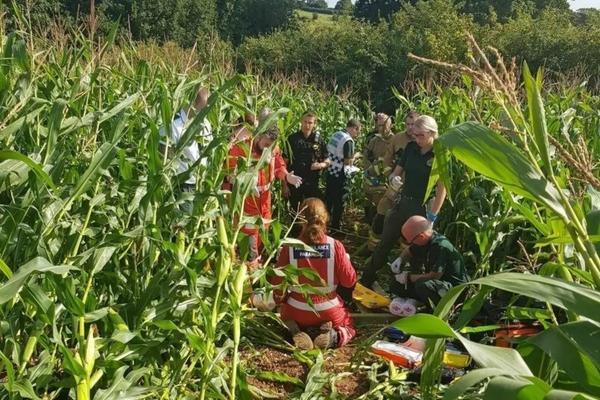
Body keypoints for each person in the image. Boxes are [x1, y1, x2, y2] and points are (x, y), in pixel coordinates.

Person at [360, 115, 447, 289]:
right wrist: (394, 179)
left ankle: (409, 289)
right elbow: (398, 171)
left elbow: (441, 189)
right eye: (414, 134)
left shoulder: (440, 154)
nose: (416, 138)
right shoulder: (411, 148)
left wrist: (432, 218)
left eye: (420, 135)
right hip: (403, 202)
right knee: (385, 241)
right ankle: (367, 278)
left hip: (422, 208)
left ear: (432, 134)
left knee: (416, 251)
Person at [271, 198, 357, 350]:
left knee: (287, 317)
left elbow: (277, 285)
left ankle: (295, 331)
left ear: (301, 220)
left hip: (296, 310)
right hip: (328, 309)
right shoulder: (335, 246)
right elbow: (349, 281)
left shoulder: (289, 247)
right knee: (349, 325)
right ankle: (333, 337)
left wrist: (280, 300)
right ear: (325, 218)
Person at [226, 126, 303, 266]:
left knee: (263, 235)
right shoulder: (242, 147)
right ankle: (250, 271)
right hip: (247, 201)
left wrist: (286, 176)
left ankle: (257, 263)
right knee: (249, 240)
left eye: (271, 146)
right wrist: (245, 184)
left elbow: (278, 166)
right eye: (266, 144)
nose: (268, 148)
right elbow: (229, 173)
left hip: (265, 201)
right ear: (259, 135)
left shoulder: (273, 148)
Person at [389, 215, 469, 307]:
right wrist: (400, 259)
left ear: (421, 236)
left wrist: (408, 277)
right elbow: (410, 250)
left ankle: (437, 309)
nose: (411, 243)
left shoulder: (440, 246)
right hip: (436, 285)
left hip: (452, 290)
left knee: (423, 285)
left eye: (411, 240)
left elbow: (434, 276)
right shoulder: (424, 240)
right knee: (396, 283)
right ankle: (410, 304)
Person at [369, 111, 420, 249]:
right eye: (408, 124)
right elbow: (387, 158)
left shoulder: (422, 142)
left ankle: (403, 257)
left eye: (413, 125)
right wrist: (389, 175)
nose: (410, 128)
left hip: (412, 191)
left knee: (408, 223)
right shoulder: (397, 139)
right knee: (382, 209)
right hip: (395, 186)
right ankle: (373, 247)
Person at [159, 87, 212, 212]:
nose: (205, 113)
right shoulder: (173, 125)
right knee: (183, 223)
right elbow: (163, 157)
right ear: (192, 103)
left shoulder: (206, 123)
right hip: (183, 187)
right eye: (203, 108)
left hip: (201, 185)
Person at [283, 111, 329, 212]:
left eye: (310, 122)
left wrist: (320, 165)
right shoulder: (292, 139)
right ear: (301, 121)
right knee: (295, 212)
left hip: (312, 182)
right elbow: (284, 163)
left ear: (314, 124)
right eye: (305, 122)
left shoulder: (318, 140)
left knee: (312, 211)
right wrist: (285, 185)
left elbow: (328, 160)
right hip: (295, 182)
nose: (307, 125)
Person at [324, 119, 362, 230]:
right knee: (339, 202)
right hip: (340, 174)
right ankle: (335, 227)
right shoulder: (348, 140)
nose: (358, 134)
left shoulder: (336, 134)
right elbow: (347, 162)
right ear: (354, 128)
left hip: (331, 171)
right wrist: (357, 156)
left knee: (329, 200)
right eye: (358, 131)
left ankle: (325, 223)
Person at [362, 113, 397, 224]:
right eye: (379, 125)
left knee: (381, 207)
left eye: (384, 125)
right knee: (368, 201)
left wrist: (378, 168)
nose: (381, 128)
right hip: (371, 178)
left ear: (390, 125)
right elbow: (366, 155)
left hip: (385, 180)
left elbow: (392, 162)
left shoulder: (395, 140)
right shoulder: (375, 140)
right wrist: (368, 168)